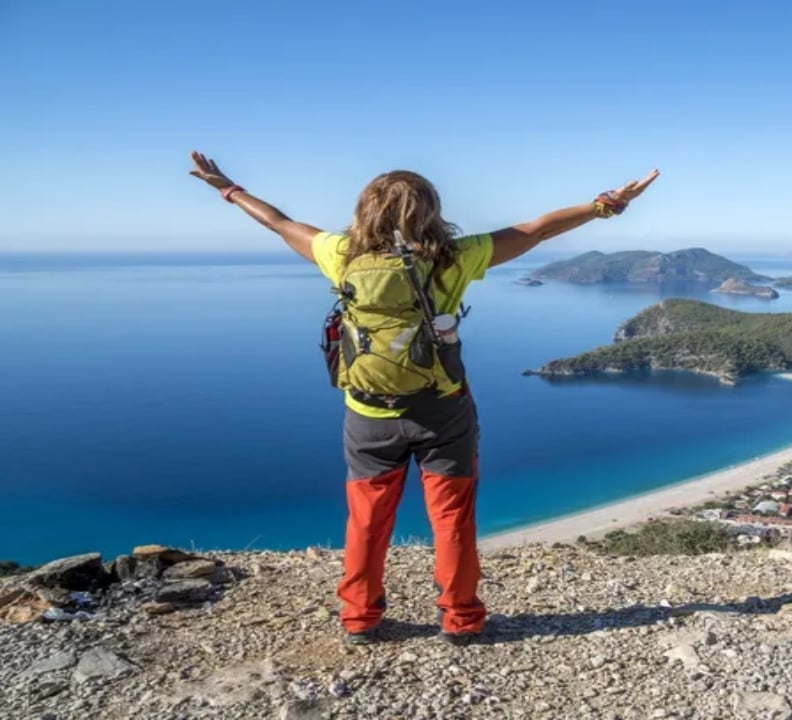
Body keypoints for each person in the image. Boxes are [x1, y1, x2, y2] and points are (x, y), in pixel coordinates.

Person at [188, 151, 659, 644]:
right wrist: (605, 204)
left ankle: (359, 617)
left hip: (369, 414)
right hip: (443, 410)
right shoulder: (455, 257)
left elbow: (280, 224)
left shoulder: (340, 254)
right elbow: (537, 229)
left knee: (367, 521)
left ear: (365, 211)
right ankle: (461, 618)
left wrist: (228, 188)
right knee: (452, 519)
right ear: (431, 210)